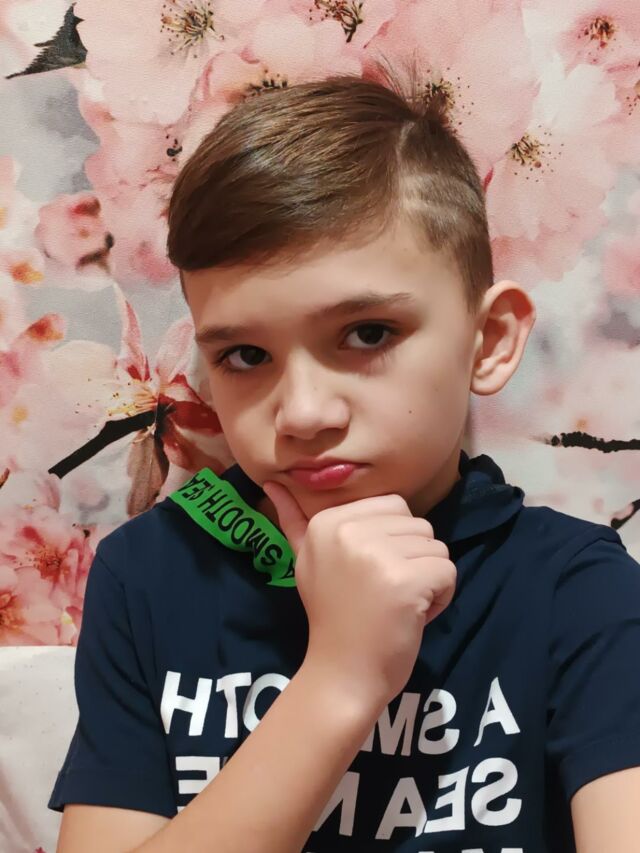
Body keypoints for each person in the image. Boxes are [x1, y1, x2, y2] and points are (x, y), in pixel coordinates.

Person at [49, 57, 640, 852]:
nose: (303, 412)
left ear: (489, 341)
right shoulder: (149, 577)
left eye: (367, 334)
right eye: (246, 356)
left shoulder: (577, 590)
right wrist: (340, 679)